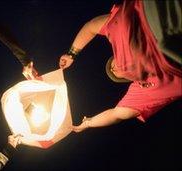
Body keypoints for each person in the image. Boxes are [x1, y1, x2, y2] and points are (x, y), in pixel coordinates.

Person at [57, 0, 182, 132]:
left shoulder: (116, 34)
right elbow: (116, 114)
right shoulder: (145, 87)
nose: (113, 68)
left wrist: (71, 54)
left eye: (111, 65)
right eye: (113, 73)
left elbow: (90, 27)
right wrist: (88, 123)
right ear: (127, 79)